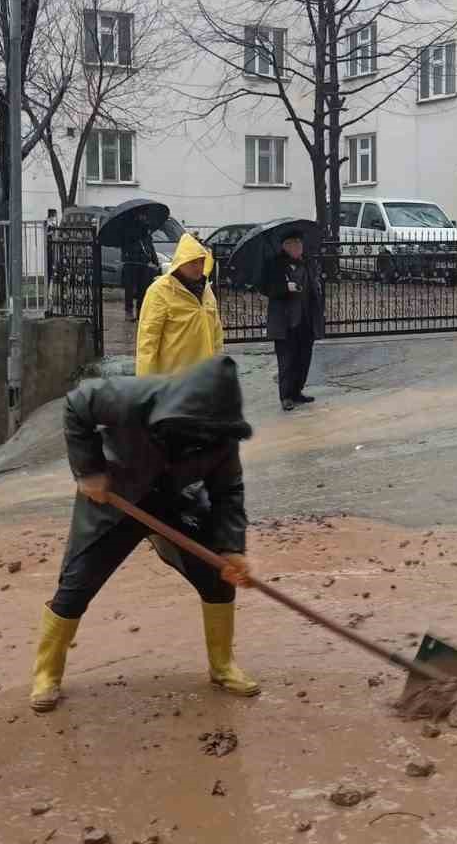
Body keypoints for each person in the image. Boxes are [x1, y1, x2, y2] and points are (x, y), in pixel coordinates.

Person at [29, 355, 259, 712]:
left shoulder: (221, 437)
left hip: (173, 504)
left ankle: (222, 666)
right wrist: (88, 471)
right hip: (116, 499)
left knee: (217, 579)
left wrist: (231, 549)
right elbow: (76, 404)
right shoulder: (133, 396)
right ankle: (47, 674)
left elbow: (228, 493)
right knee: (77, 584)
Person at [135, 234, 223, 377]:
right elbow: (147, 343)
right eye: (193, 262)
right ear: (180, 262)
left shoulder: (206, 291)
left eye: (201, 262)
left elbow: (217, 336)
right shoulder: (160, 292)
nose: (198, 267)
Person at [264, 229, 325, 412]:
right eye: (295, 244)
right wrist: (285, 287)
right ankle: (286, 396)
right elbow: (267, 288)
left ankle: (298, 391)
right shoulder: (275, 265)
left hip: (306, 319)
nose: (299, 247)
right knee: (287, 360)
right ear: (286, 247)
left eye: (300, 243)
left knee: (303, 359)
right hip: (285, 322)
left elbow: (314, 287)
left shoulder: (307, 263)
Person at [121, 230, 159, 320]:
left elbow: (150, 246)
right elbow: (124, 246)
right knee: (129, 289)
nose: (143, 217)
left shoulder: (146, 230)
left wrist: (155, 260)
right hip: (130, 262)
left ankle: (140, 311)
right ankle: (129, 311)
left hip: (143, 263)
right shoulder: (127, 230)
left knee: (143, 288)